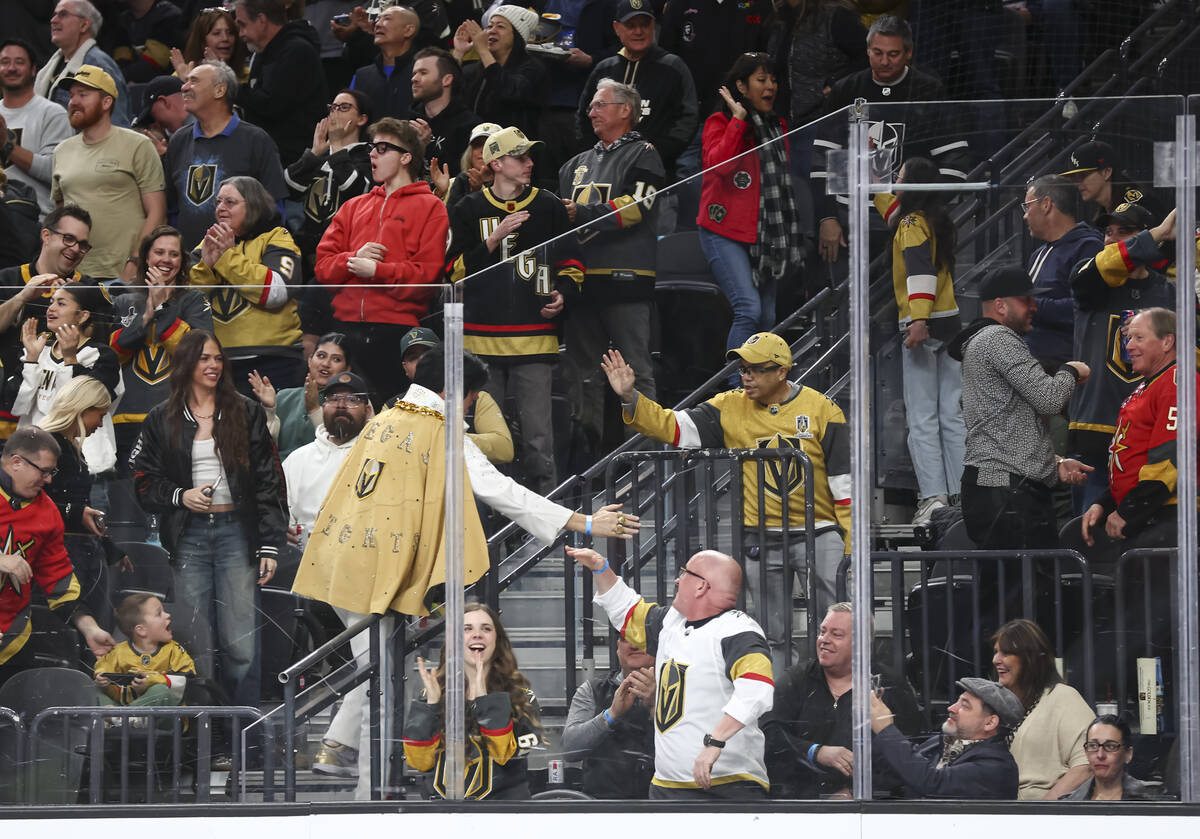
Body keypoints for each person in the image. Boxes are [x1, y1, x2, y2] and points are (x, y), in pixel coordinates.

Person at [293, 346, 635, 797]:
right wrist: (585, 522)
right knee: (381, 683)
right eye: (472, 398)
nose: (471, 407)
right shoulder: (437, 428)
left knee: (376, 669)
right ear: (454, 391)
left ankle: (343, 752)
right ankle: (367, 792)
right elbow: (500, 490)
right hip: (378, 572)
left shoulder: (383, 418)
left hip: (341, 561)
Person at [602, 332, 850, 670]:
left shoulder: (823, 409)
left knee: (837, 625)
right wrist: (631, 398)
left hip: (819, 530)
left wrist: (849, 543)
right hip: (760, 536)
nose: (747, 376)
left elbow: (843, 484)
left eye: (756, 369)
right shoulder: (729, 405)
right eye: (743, 369)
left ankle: (838, 692)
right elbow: (673, 427)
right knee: (771, 634)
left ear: (782, 371)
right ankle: (776, 699)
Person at [131, 328, 286, 709]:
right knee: (193, 637)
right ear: (186, 363)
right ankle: (201, 727)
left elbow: (269, 479)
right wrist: (180, 496)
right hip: (188, 535)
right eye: (204, 358)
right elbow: (143, 482)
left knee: (241, 639)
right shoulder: (161, 417)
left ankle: (243, 726)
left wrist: (270, 543)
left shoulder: (245, 411)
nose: (213, 365)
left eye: (218, 358)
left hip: (237, 532)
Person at [567, 545, 774, 799]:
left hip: (726, 786)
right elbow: (626, 610)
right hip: (666, 786)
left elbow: (756, 690)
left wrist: (715, 741)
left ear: (701, 586)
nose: (677, 580)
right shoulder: (672, 623)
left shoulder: (738, 630)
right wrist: (601, 568)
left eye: (684, 573)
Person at [446, 125, 583, 494]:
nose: (529, 163)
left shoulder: (549, 205)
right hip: (480, 343)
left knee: (539, 437)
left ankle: (548, 507)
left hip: (535, 339)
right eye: (520, 157)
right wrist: (494, 238)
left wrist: (564, 294)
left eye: (529, 156)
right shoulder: (468, 208)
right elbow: (452, 271)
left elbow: (573, 261)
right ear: (496, 164)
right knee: (487, 437)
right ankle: (490, 512)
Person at [948, 266, 1092, 550]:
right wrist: (1070, 370)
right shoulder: (997, 338)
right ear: (1000, 306)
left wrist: (1054, 465)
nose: (1034, 307)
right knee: (1026, 577)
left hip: (1000, 489)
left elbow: (1007, 425)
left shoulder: (983, 341)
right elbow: (1049, 399)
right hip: (1007, 494)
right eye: (1026, 300)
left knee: (1015, 577)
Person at [560, 80, 663, 453]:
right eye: (590, 106)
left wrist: (584, 212)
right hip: (581, 281)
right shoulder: (573, 166)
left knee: (635, 370)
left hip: (627, 280)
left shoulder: (644, 154)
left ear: (625, 110)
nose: (591, 113)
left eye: (600, 105)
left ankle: (647, 461)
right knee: (581, 374)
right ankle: (587, 461)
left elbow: (638, 207)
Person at [814, 15, 967, 267]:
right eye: (877, 53)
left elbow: (955, 161)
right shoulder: (846, 89)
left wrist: (925, 212)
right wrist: (827, 217)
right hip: (850, 218)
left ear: (909, 52)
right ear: (867, 50)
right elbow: (822, 158)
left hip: (908, 220)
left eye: (893, 54)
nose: (884, 61)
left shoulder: (929, 90)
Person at [315, 117, 447, 403]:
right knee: (343, 414)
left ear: (406, 157)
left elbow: (426, 277)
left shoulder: (431, 207)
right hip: (344, 328)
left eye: (383, 148)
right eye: (372, 148)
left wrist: (377, 270)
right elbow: (323, 267)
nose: (373, 154)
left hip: (398, 334)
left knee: (391, 414)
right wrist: (353, 258)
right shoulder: (353, 206)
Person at [698, 54, 803, 381]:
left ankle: (762, 386)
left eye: (773, 79)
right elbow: (720, 167)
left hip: (766, 233)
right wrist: (739, 121)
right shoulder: (719, 122)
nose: (770, 86)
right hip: (723, 230)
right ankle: (736, 388)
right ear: (741, 87)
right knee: (749, 308)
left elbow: (781, 183)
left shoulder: (777, 125)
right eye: (761, 79)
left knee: (767, 316)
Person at [877, 156, 966, 524]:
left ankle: (934, 498)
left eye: (899, 178)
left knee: (923, 418)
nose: (895, 184)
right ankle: (962, 494)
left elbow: (919, 272)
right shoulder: (933, 220)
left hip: (923, 326)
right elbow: (891, 210)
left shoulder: (911, 224)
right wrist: (875, 182)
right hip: (950, 323)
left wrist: (918, 319)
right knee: (951, 415)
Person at [1068, 206, 1174, 512]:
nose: (1111, 240)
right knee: (1089, 529)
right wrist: (1157, 234)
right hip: (1094, 431)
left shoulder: (1169, 292)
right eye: (1108, 232)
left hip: (1151, 434)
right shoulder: (1088, 278)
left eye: (1124, 232)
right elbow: (1103, 267)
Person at [762, 602, 921, 798]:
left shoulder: (891, 686)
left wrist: (858, 792)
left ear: (861, 644)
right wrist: (816, 752)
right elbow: (770, 734)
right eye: (822, 632)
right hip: (800, 800)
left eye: (836, 635)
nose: (824, 640)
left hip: (869, 804)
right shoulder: (797, 679)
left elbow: (907, 754)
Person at [0, 426, 116, 687]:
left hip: (13, 640)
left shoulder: (48, 512)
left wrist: (89, 627)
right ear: (16, 462)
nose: (49, 480)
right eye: (43, 471)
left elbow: (58, 579)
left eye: (51, 472)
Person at [405, 602, 543, 799]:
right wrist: (432, 705)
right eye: (467, 629)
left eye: (486, 629)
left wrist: (487, 701)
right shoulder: (431, 695)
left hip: (506, 811)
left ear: (497, 640)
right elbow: (418, 762)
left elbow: (505, 756)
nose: (477, 635)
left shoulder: (523, 698)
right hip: (440, 812)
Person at [1081, 306, 1191, 549]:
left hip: (1170, 518)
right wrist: (1105, 504)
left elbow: (1169, 461)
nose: (1129, 346)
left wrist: (1129, 512)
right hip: (1148, 515)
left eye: (1139, 338)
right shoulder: (1147, 386)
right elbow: (1134, 460)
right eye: (1129, 338)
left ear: (1167, 342)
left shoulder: (1177, 383)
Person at [109, 225, 213, 469]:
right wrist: (145, 316)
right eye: (159, 252)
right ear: (147, 257)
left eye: (174, 254)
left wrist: (161, 307)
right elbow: (113, 356)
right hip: (125, 418)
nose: (166, 259)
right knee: (127, 489)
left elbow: (197, 355)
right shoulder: (124, 300)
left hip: (178, 418)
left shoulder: (195, 301)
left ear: (182, 261)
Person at [187, 175, 304, 393]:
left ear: (253, 205)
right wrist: (207, 268)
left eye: (230, 202)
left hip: (274, 360)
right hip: (218, 362)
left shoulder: (277, 237)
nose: (221, 208)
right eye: (218, 202)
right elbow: (188, 300)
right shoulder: (208, 242)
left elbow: (275, 293)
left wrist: (226, 258)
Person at [51, 64, 166, 282]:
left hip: (124, 275)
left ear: (106, 102)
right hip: (74, 277)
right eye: (72, 95)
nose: (73, 101)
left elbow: (157, 212)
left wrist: (135, 262)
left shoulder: (138, 145)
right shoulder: (61, 151)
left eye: (83, 94)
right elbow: (60, 214)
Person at [166, 59, 287, 252]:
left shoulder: (256, 140)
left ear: (219, 90)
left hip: (240, 261)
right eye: (186, 81)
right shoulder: (179, 140)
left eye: (194, 81)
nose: (184, 87)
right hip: (189, 260)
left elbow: (274, 210)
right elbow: (171, 207)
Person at [36, 374, 126, 625]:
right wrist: (75, 512)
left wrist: (109, 547)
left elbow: (80, 505)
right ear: (83, 410)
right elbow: (32, 504)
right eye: (100, 415)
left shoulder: (69, 446)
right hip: (54, 556)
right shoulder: (45, 445)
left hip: (77, 551)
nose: (101, 423)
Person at [283, 88, 373, 338]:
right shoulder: (319, 157)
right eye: (332, 107)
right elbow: (288, 188)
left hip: (346, 265)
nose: (335, 113)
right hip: (310, 263)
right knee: (308, 338)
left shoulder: (369, 155)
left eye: (344, 108)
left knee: (341, 336)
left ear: (362, 119)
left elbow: (357, 189)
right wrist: (314, 154)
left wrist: (337, 149)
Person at [0, 204, 95, 440]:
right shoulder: (8, 278)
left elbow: (98, 347)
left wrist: (73, 307)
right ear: (46, 235)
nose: (76, 249)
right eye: (68, 239)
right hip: (7, 412)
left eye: (83, 244)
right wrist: (21, 297)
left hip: (59, 420)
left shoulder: (90, 290)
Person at [576, 0, 697, 179]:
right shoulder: (604, 69)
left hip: (657, 172)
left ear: (653, 25)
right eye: (631, 25)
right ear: (616, 28)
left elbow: (688, 118)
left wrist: (655, 154)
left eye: (644, 24)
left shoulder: (673, 67)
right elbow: (583, 118)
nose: (638, 31)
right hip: (603, 172)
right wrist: (596, 156)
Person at [13, 283, 121, 478]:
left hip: (86, 463)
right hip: (34, 461)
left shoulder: (102, 356)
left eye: (61, 303)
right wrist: (31, 361)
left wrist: (70, 359)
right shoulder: (38, 349)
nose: (51, 308)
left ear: (83, 316)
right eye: (51, 302)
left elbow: (80, 404)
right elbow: (17, 406)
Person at [870, 676, 1022, 800]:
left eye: (965, 706)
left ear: (990, 723)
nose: (951, 708)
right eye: (957, 701)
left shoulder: (997, 768)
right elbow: (896, 771)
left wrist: (885, 729)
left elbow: (933, 783)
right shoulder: (941, 743)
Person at [991, 618, 1094, 799]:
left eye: (1006, 653)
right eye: (996, 652)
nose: (995, 660)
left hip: (1041, 812)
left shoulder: (1063, 697)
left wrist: (1043, 809)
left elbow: (1086, 766)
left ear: (1030, 658)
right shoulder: (1000, 705)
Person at [1021, 174, 1104, 373]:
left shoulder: (1089, 248)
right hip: (1033, 364)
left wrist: (1027, 305)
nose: (1025, 216)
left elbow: (1085, 309)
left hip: (1064, 368)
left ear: (1046, 204)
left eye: (1027, 206)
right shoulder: (1038, 254)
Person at [232, 0, 329, 166]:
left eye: (242, 25)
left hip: (295, 163)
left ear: (261, 20)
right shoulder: (264, 53)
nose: (240, 34)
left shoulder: (296, 51)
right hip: (271, 157)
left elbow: (270, 104)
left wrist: (231, 89)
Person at [398, 328, 513, 465]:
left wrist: (448, 440)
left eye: (427, 355)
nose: (421, 361)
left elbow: (504, 449)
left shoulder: (477, 398)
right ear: (405, 367)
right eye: (413, 358)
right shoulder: (394, 406)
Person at [561, 637, 656, 799]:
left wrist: (655, 707)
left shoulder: (676, 690)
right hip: (602, 805)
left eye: (641, 637)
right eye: (627, 638)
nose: (634, 645)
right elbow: (570, 749)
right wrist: (611, 714)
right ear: (618, 647)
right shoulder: (593, 690)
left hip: (662, 804)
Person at [249, 331, 353, 461]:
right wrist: (269, 410)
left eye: (336, 359)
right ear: (309, 360)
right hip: (282, 470)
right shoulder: (284, 397)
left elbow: (338, 450)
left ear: (347, 369)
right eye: (321, 356)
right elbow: (264, 449)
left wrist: (315, 410)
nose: (326, 363)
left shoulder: (352, 404)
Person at [0, 38, 74, 217]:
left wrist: (7, 146)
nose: (11, 68)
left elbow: (57, 172)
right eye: (5, 62)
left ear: (33, 70)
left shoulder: (52, 113)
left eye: (19, 62)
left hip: (34, 222)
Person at [454, 5, 548, 142]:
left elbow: (510, 91)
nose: (492, 31)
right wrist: (458, 53)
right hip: (475, 144)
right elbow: (449, 93)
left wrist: (483, 51)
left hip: (512, 146)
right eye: (489, 26)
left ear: (517, 35)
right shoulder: (474, 70)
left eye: (500, 26)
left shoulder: (533, 68)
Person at [766, 0, 866, 126]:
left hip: (828, 119)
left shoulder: (835, 15)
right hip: (785, 122)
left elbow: (869, 57)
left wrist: (835, 84)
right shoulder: (778, 16)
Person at [35, 0, 132, 128]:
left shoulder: (100, 66)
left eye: (63, 14)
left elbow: (116, 124)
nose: (53, 20)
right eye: (54, 15)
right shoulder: (50, 67)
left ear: (84, 25)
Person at [94, 592, 196, 707]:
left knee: (160, 690)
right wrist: (101, 679)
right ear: (141, 630)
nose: (168, 615)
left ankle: (122, 716)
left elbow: (188, 680)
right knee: (94, 690)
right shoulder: (118, 652)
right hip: (122, 708)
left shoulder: (174, 650)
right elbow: (102, 669)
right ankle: (116, 714)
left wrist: (152, 681)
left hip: (163, 715)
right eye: (159, 614)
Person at [410, 46, 479, 180]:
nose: (414, 78)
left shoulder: (470, 127)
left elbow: (463, 177)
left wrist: (428, 146)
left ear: (446, 80)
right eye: (414, 73)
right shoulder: (408, 121)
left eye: (423, 73)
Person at [1060, 140, 1160, 229]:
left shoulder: (1138, 204)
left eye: (1082, 176)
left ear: (1106, 172)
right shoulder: (1103, 210)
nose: (1077, 183)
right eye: (1075, 178)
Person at [349, 4, 419, 120]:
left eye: (387, 19)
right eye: (377, 20)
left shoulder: (421, 73)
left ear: (408, 30)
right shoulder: (362, 75)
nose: (377, 24)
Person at [1061, 715, 1153, 801]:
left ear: (1128, 754)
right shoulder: (1068, 804)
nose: (1100, 755)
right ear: (1086, 752)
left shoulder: (1151, 801)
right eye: (1093, 746)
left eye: (1110, 746)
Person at [108, 0, 187, 84]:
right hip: (132, 85)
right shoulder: (124, 20)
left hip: (166, 87)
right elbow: (120, 62)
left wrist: (115, 77)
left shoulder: (169, 16)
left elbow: (151, 67)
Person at [170, 6, 251, 83]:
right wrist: (189, 83)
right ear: (201, 40)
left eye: (230, 33)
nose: (225, 38)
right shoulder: (181, 76)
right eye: (217, 33)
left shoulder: (248, 75)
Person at [438, 120, 499, 208]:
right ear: (470, 153)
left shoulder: (512, 186)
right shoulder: (450, 184)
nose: (483, 150)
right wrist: (440, 193)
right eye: (477, 145)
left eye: (489, 145)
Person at [131, 75, 189, 157]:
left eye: (152, 116)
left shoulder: (200, 127)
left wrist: (166, 156)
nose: (157, 124)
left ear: (164, 102)